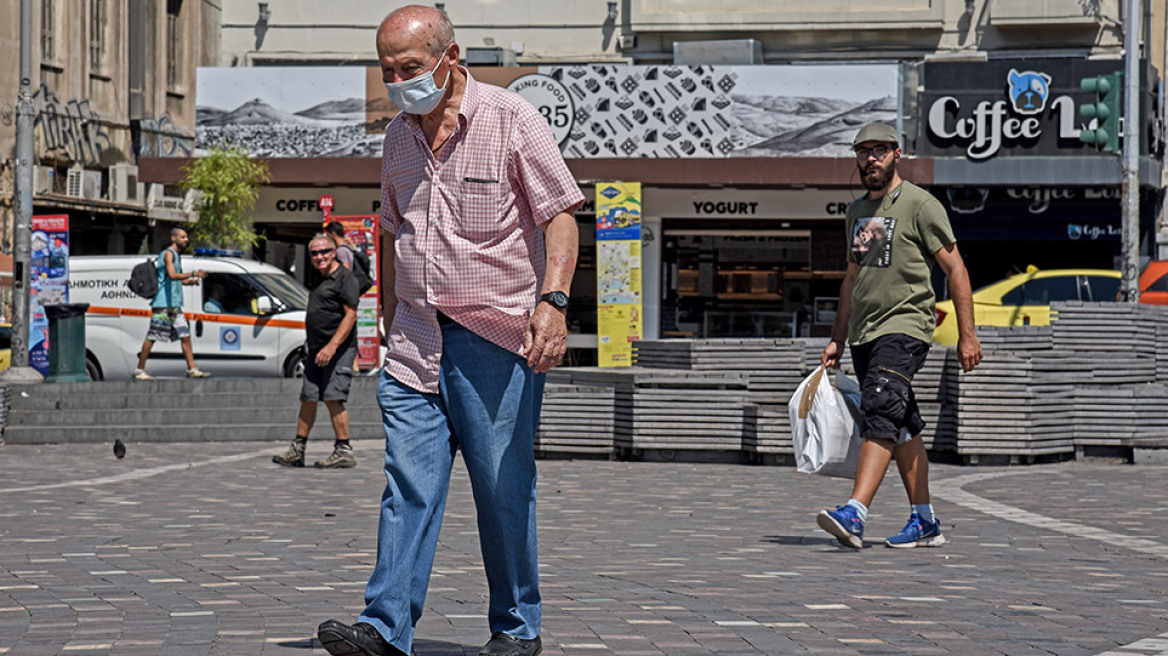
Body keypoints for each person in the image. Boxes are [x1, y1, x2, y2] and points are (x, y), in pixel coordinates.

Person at [316, 6, 583, 656]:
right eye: (388, 71)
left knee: (502, 488)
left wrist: (553, 302)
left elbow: (560, 216)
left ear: (450, 56)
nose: (398, 82)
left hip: (494, 340)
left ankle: (516, 627)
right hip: (415, 342)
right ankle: (384, 628)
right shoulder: (397, 137)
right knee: (408, 486)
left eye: (409, 67)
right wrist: (386, 317)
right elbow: (392, 230)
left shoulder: (512, 117)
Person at [816, 122, 982, 550]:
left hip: (905, 326)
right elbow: (852, 279)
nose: (871, 158)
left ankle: (855, 512)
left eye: (880, 150)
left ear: (897, 154)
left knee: (880, 408)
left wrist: (967, 334)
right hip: (864, 334)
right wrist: (838, 338)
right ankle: (924, 521)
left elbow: (956, 268)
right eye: (863, 151)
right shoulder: (856, 212)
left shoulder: (920, 205)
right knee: (902, 425)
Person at [272, 234, 361, 469]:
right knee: (309, 397)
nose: (319, 257)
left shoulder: (345, 278)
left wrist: (332, 346)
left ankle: (343, 450)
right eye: (314, 253)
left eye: (324, 252)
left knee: (333, 397)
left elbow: (351, 315)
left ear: (334, 252)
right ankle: (297, 449)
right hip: (315, 350)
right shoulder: (320, 277)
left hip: (338, 350)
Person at [134, 227, 210, 380]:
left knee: (185, 335)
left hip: (174, 305)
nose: (186, 240)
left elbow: (174, 280)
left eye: (186, 237)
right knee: (153, 336)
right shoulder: (168, 254)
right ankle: (139, 370)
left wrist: (190, 282)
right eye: (183, 237)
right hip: (164, 304)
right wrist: (194, 273)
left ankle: (192, 369)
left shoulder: (176, 255)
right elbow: (173, 275)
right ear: (173, 238)